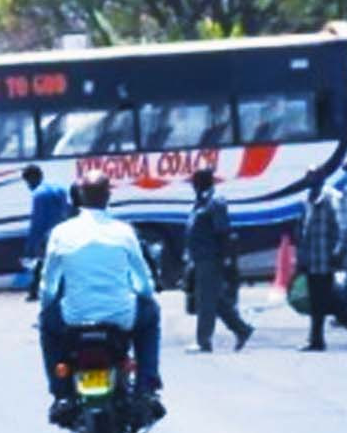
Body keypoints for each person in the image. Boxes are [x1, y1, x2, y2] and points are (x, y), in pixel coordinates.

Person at [36, 178, 162, 411]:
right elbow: (142, 281)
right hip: (122, 317)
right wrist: (146, 297)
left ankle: (61, 392)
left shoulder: (61, 233)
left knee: (47, 324)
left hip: (74, 318)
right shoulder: (124, 232)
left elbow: (49, 284)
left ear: (80, 197)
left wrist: (46, 308)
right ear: (108, 196)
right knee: (151, 316)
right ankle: (146, 387)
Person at [182, 166, 251, 352]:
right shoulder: (200, 202)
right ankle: (242, 329)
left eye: (195, 182)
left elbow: (223, 232)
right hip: (199, 257)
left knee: (205, 301)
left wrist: (226, 259)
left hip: (211, 258)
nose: (193, 186)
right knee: (215, 299)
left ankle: (203, 342)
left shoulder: (215, 202)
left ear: (202, 182)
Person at [295, 169, 347, 350]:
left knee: (324, 300)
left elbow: (342, 229)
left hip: (326, 258)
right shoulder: (307, 200)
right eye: (307, 177)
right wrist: (301, 258)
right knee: (319, 301)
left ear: (320, 178)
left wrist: (338, 252)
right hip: (312, 259)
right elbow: (304, 232)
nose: (308, 180)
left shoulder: (331, 198)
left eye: (312, 177)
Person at [19, 161, 72, 273]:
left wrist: (29, 250)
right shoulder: (60, 189)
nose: (28, 186)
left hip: (48, 241)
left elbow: (37, 224)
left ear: (31, 179)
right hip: (66, 237)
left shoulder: (38, 194)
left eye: (27, 182)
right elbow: (67, 212)